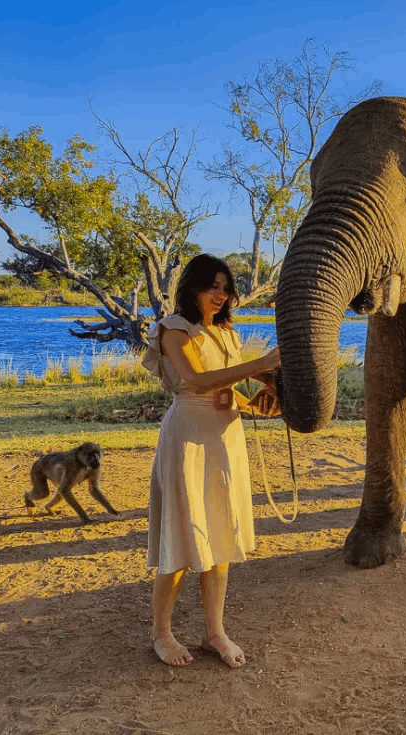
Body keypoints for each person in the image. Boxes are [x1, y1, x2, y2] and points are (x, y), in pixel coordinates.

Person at [142, 253, 281, 668]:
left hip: (226, 437)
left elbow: (227, 386)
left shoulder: (225, 333)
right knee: (183, 538)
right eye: (212, 286)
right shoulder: (173, 329)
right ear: (192, 288)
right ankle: (161, 633)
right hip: (188, 437)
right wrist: (258, 364)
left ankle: (214, 632)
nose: (220, 294)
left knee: (220, 533)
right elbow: (196, 381)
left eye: (225, 287)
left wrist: (261, 400)